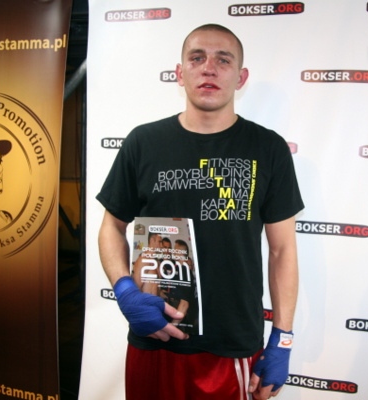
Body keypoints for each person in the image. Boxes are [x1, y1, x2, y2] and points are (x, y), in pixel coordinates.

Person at [97, 23, 303, 400]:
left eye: (223, 60)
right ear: (180, 73)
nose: (209, 68)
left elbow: (282, 249)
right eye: (197, 58)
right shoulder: (143, 142)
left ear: (241, 78)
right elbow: (112, 226)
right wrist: (125, 289)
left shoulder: (268, 148)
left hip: (229, 345)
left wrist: (283, 338)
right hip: (154, 334)